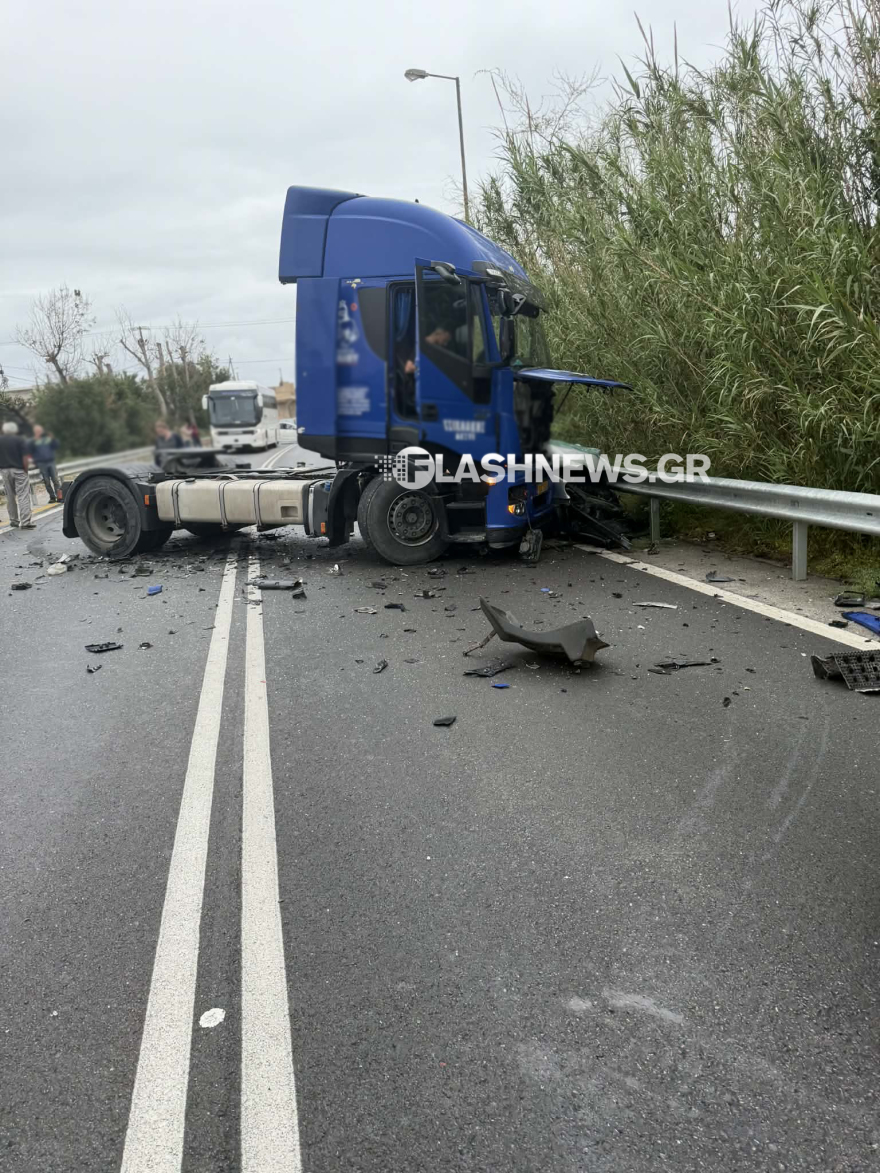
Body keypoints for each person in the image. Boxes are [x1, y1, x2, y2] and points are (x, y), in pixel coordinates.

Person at [0, 421, 35, 529]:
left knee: (10, 496)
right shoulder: (20, 440)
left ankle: (14, 520)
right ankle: (25, 522)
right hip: (19, 469)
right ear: (14, 430)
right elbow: (25, 457)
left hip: (5, 470)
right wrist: (26, 470)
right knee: (23, 495)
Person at [30, 424, 62, 503]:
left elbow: (56, 446)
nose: (38, 432)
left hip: (51, 461)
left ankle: (60, 496)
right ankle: (52, 497)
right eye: (36, 431)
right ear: (34, 432)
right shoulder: (33, 441)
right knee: (46, 481)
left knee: (55, 480)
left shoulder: (48, 439)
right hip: (41, 463)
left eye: (39, 431)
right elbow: (30, 451)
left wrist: (53, 439)